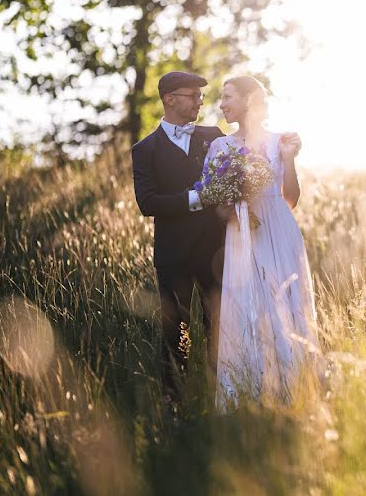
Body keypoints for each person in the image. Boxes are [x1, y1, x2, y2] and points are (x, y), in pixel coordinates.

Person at [205, 75, 318, 405]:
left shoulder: (279, 141)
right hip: (240, 233)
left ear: (249, 100)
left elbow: (291, 199)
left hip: (277, 230)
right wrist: (233, 200)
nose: (222, 104)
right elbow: (217, 206)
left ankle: (292, 387)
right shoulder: (219, 147)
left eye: (227, 97)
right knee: (244, 304)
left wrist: (288, 159)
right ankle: (247, 392)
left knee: (283, 301)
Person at [131, 71, 225, 402]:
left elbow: (238, 170)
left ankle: (222, 397)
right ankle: (175, 403)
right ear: (170, 99)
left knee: (220, 326)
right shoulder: (145, 149)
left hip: (217, 253)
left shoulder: (214, 137)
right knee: (176, 330)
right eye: (193, 95)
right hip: (173, 256)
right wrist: (196, 198)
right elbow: (148, 202)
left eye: (201, 96)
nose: (200, 101)